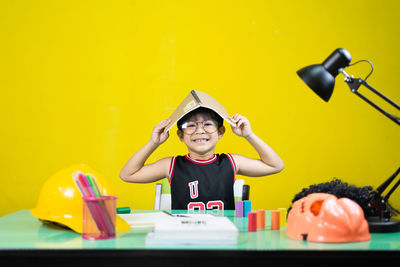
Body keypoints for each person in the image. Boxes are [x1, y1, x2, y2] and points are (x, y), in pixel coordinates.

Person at [120, 107, 284, 210]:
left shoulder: (232, 162)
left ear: (220, 132)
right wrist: (153, 143)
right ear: (180, 135)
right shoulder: (171, 165)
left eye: (207, 124)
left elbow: (275, 165)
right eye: (191, 125)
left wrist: (249, 135)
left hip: (223, 240)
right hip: (184, 242)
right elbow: (128, 175)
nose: (200, 130)